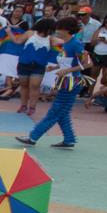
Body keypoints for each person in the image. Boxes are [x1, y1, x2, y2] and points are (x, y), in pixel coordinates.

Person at [17, 18, 92, 150]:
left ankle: (33, 137)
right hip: (65, 81)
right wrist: (56, 67)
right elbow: (68, 62)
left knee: (55, 111)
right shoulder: (66, 44)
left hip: (71, 82)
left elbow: (88, 63)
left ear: (66, 29)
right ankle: (69, 139)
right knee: (62, 112)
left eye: (59, 28)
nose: (56, 31)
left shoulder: (75, 44)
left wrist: (67, 71)